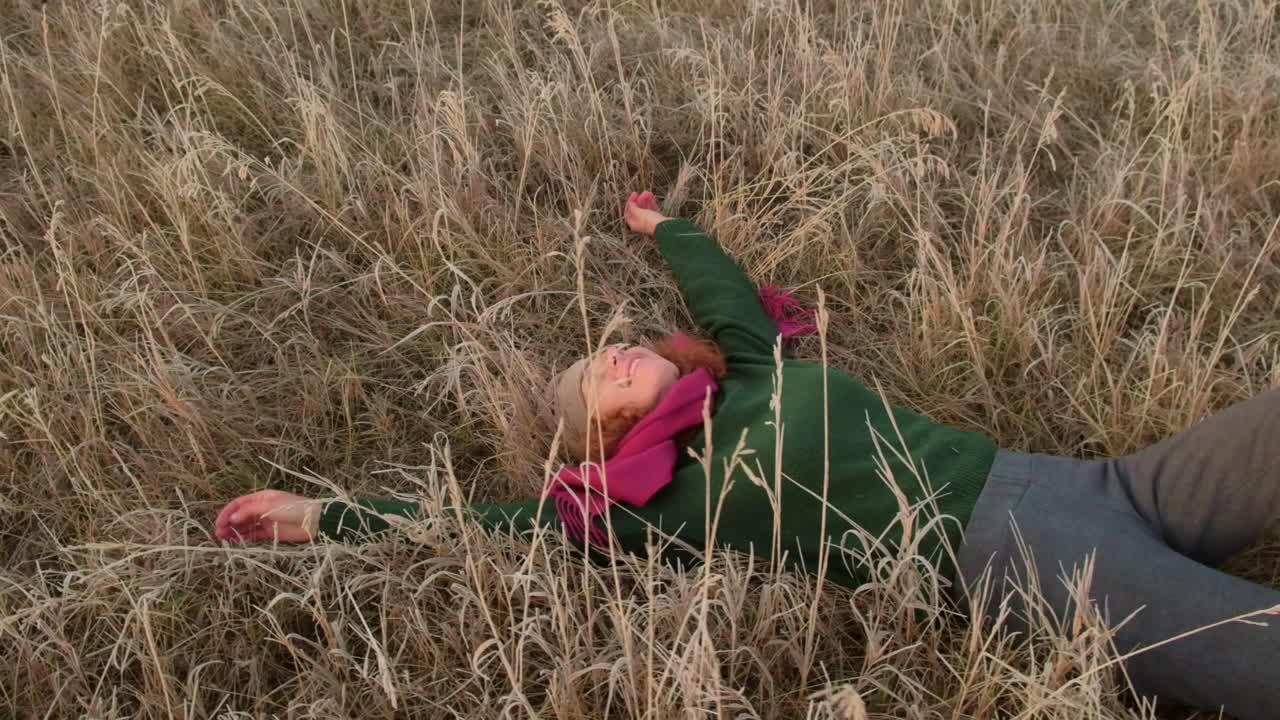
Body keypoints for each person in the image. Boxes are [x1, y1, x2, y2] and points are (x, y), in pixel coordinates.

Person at [215, 191, 1280, 719]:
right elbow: (480, 527)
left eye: (615, 342)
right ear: (595, 436)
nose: (613, 350)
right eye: (595, 371)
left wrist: (664, 227)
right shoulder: (643, 505)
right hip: (1015, 561)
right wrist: (315, 518)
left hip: (1087, 481)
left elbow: (723, 299)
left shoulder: (752, 375)